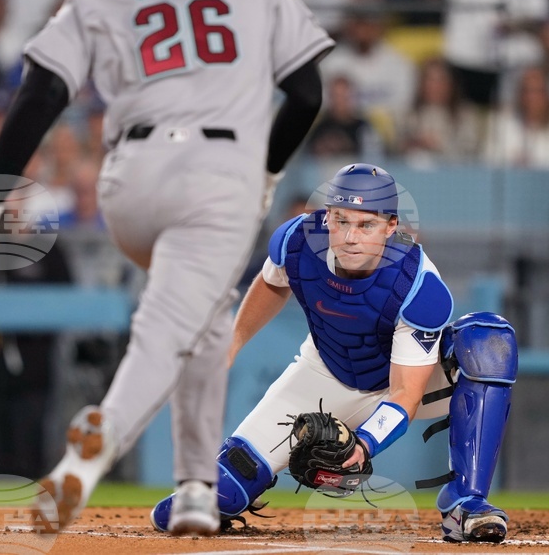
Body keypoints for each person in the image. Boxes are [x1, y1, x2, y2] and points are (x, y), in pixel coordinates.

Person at [0, 0, 332, 536]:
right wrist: (265, 172)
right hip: (218, 174)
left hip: (130, 181)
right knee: (169, 325)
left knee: (202, 319)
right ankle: (92, 451)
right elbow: (307, 92)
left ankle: (197, 487)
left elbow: (41, 93)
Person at [149, 163, 518, 543]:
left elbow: (405, 393)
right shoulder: (296, 241)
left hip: (409, 384)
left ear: (391, 227)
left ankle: (466, 503)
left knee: (488, 340)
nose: (350, 237)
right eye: (341, 221)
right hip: (324, 373)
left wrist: (364, 443)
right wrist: (231, 344)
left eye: (366, 225)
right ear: (327, 217)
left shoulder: (419, 285)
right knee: (195, 506)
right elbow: (272, 282)